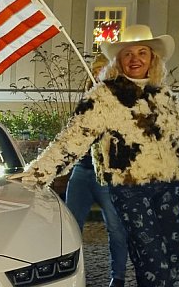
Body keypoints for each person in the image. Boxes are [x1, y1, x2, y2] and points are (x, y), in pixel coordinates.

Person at [10, 24, 179, 287]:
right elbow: (72, 138)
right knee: (152, 261)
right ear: (118, 60)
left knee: (171, 258)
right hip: (130, 188)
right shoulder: (105, 95)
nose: (135, 59)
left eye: (142, 52)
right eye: (128, 54)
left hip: (169, 188)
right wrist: (36, 174)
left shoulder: (165, 95)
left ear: (152, 57)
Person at [64, 53, 128, 287]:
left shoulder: (120, 100)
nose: (98, 75)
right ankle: (72, 274)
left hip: (108, 176)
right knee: (71, 227)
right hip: (81, 172)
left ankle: (118, 277)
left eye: (103, 71)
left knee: (116, 227)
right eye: (95, 71)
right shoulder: (85, 102)